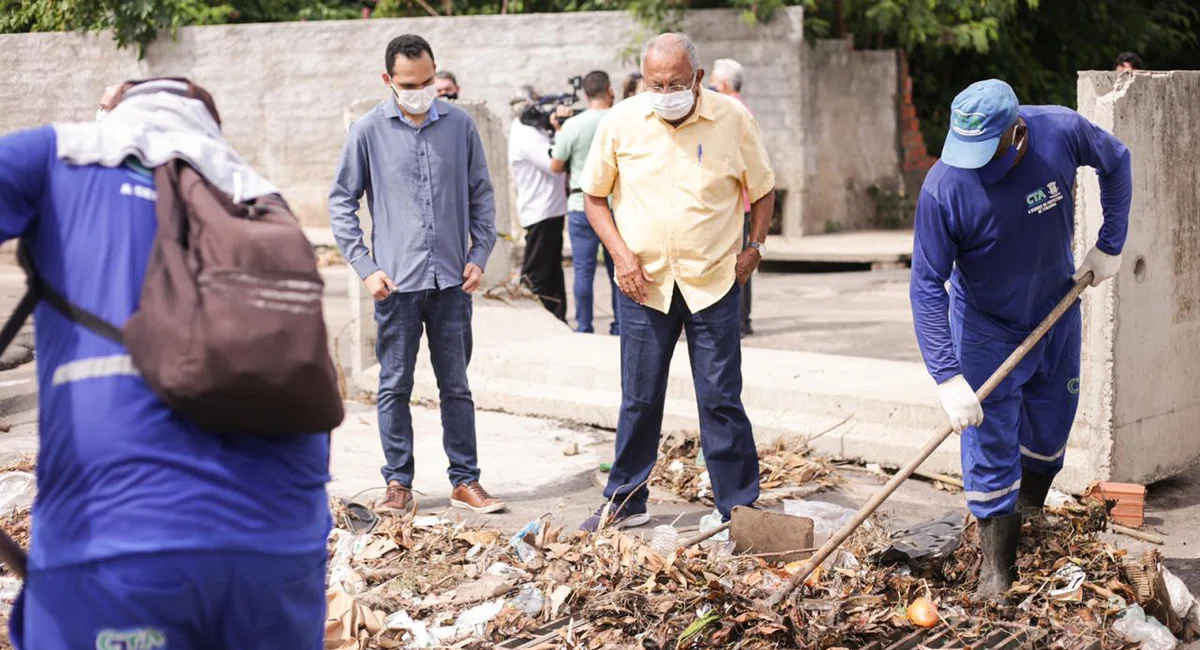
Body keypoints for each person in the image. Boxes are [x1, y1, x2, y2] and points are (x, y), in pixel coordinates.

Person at [0, 78, 331, 649]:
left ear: (115, 110)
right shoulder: (259, 198)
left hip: (117, 548)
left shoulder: (61, 154)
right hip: (285, 550)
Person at [910, 79, 1131, 600]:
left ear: (1017, 133)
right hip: (985, 327)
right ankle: (996, 568)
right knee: (989, 442)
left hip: (1056, 309)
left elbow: (1116, 161)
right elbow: (926, 284)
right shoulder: (945, 188)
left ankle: (1028, 515)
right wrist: (947, 376)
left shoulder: (1060, 131)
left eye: (985, 152)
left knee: (1052, 424)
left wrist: (1110, 243)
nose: (973, 166)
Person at [577, 33, 776, 531]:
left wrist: (754, 247)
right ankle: (626, 500)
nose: (665, 93)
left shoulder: (733, 119)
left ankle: (737, 506)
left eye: (676, 83)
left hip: (714, 281)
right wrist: (621, 256)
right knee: (640, 397)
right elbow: (594, 197)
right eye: (656, 84)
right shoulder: (621, 121)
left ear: (698, 78)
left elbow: (763, 188)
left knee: (721, 397)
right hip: (643, 285)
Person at [329, 34, 506, 515]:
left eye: (427, 81)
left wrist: (480, 252)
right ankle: (398, 484)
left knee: (456, 387)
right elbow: (341, 202)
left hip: (452, 281)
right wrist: (366, 268)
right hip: (395, 285)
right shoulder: (367, 131)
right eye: (409, 85)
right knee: (394, 386)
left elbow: (482, 193)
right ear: (388, 80)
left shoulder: (460, 125)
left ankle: (465, 481)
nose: (420, 91)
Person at [551, 71, 621, 335]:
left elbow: (556, 165)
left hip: (582, 203)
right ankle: (620, 324)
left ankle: (584, 326)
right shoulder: (619, 120)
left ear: (585, 94)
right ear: (609, 90)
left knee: (583, 271)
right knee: (619, 267)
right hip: (616, 203)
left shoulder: (573, 125)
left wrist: (560, 132)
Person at [509, 88, 568, 321]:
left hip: (549, 209)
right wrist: (561, 131)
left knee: (552, 272)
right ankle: (531, 320)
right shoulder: (526, 134)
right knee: (537, 275)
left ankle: (556, 319)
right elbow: (555, 164)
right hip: (541, 210)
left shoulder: (530, 131)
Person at [709, 57, 755, 336]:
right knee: (741, 261)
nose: (710, 87)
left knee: (734, 263)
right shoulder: (743, 109)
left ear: (724, 84)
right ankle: (743, 319)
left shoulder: (728, 111)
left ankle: (738, 320)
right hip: (744, 200)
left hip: (734, 201)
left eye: (714, 82)